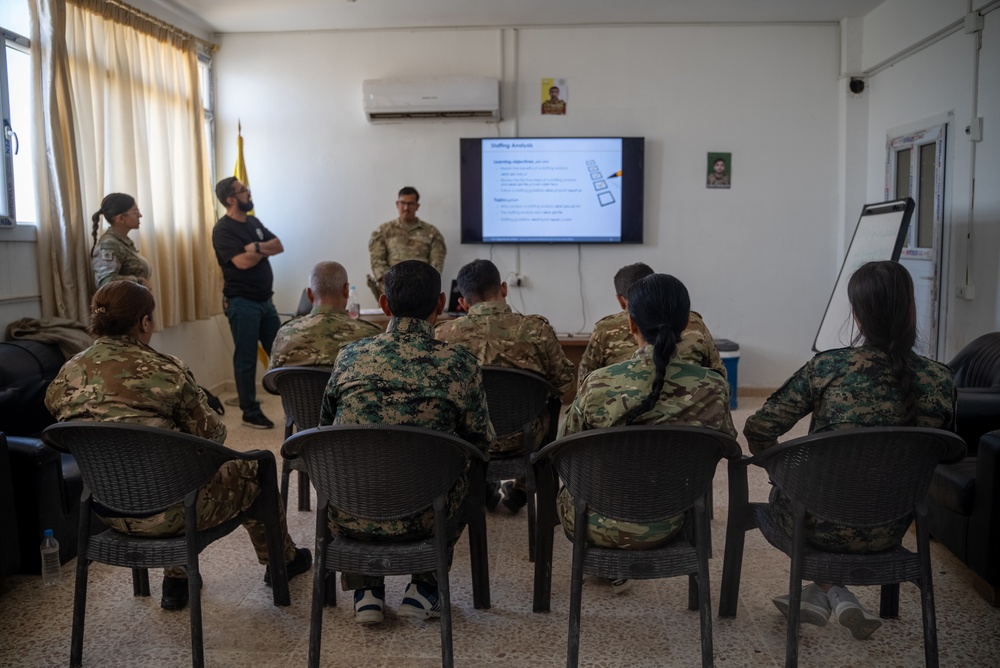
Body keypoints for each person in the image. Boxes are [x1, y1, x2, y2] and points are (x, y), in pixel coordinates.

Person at [44, 280, 310, 611]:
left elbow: (59, 417)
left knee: (168, 470)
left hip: (105, 510)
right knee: (254, 469)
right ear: (143, 322)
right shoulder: (165, 369)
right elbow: (214, 436)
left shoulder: (68, 371)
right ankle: (282, 562)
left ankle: (178, 580)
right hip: (171, 514)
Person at [744, 260, 955, 640]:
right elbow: (948, 452)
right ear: (910, 310)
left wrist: (782, 476)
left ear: (857, 315)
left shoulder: (828, 368)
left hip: (816, 522)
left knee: (803, 499)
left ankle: (823, 590)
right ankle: (835, 593)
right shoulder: (941, 379)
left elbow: (759, 427)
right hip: (891, 528)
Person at [320, 260, 495, 625]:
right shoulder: (460, 364)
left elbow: (324, 430)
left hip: (351, 509)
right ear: (442, 302)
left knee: (352, 462)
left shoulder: (349, 356)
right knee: (464, 468)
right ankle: (426, 589)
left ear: (384, 305)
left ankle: (366, 589)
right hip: (427, 515)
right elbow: (481, 441)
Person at [560, 273, 736, 594]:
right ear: (686, 325)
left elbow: (563, 448)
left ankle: (607, 566)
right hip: (670, 521)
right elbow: (725, 445)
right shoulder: (713, 388)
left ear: (631, 325)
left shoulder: (599, 384)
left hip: (593, 523)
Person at [435, 259, 574, 513]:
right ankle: (521, 489)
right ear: (503, 288)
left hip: (468, 443)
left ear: (463, 303)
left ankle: (481, 486)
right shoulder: (537, 330)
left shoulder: (443, 336)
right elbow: (564, 382)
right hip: (526, 438)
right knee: (546, 411)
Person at [578, 262, 726, 389]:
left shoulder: (605, 328)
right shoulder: (695, 322)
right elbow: (720, 376)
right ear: (686, 322)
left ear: (632, 325)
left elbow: (584, 383)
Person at [212, 177, 284, 429]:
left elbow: (279, 245)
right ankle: (249, 412)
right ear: (231, 199)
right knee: (246, 358)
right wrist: (260, 251)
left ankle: (293, 404)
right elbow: (240, 263)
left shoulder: (253, 222)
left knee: (281, 353)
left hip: (266, 301)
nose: (248, 192)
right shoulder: (223, 230)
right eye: (243, 190)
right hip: (241, 302)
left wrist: (254, 246)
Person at [269, 261, 381, 369]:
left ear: (309, 294)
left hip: (296, 389)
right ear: (346, 290)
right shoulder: (371, 335)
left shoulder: (284, 334)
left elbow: (273, 380)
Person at [367, 186, 446, 301]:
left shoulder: (432, 233)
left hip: (422, 293)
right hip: (392, 294)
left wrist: (420, 285)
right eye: (402, 203)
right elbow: (377, 263)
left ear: (417, 206)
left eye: (411, 204)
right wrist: (395, 286)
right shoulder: (383, 231)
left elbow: (436, 266)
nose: (406, 208)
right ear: (397, 204)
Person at [90, 193, 151, 288]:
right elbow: (106, 282)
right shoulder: (109, 244)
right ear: (121, 218)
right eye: (136, 212)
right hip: (122, 302)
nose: (140, 215)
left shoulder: (123, 240)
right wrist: (137, 280)